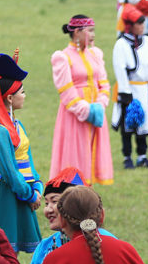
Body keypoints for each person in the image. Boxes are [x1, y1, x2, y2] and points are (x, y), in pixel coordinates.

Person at [0, 53, 44, 253]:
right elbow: (9, 172)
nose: (25, 95)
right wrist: (29, 195)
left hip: (23, 191)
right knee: (5, 252)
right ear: (9, 98)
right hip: (8, 193)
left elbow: (27, 158)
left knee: (13, 253)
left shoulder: (17, 125)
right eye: (22, 92)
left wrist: (37, 185)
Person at [49, 15, 114, 184]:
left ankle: (89, 197)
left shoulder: (95, 54)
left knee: (92, 152)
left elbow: (104, 83)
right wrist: (85, 110)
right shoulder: (63, 57)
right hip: (74, 116)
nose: (93, 35)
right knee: (76, 155)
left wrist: (100, 105)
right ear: (77, 32)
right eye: (90, 31)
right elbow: (66, 90)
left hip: (96, 113)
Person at [111, 5, 148, 170]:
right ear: (130, 26)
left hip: (144, 89)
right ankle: (127, 157)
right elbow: (119, 68)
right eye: (138, 24)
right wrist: (126, 94)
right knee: (128, 125)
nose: (142, 26)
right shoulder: (121, 45)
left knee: (143, 125)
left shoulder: (147, 41)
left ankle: (142, 156)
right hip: (130, 90)